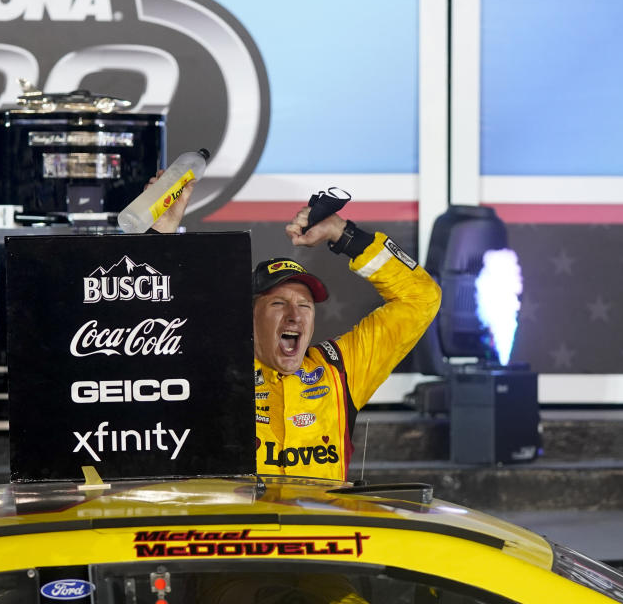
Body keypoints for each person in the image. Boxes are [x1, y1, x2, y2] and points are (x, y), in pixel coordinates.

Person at [146, 174, 441, 480]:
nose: (294, 316)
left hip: (319, 526)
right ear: (247, 316)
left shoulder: (341, 369)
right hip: (239, 526)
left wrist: (343, 234)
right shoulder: (213, 371)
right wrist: (157, 237)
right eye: (277, 304)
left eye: (305, 305)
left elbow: (421, 299)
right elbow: (139, 327)